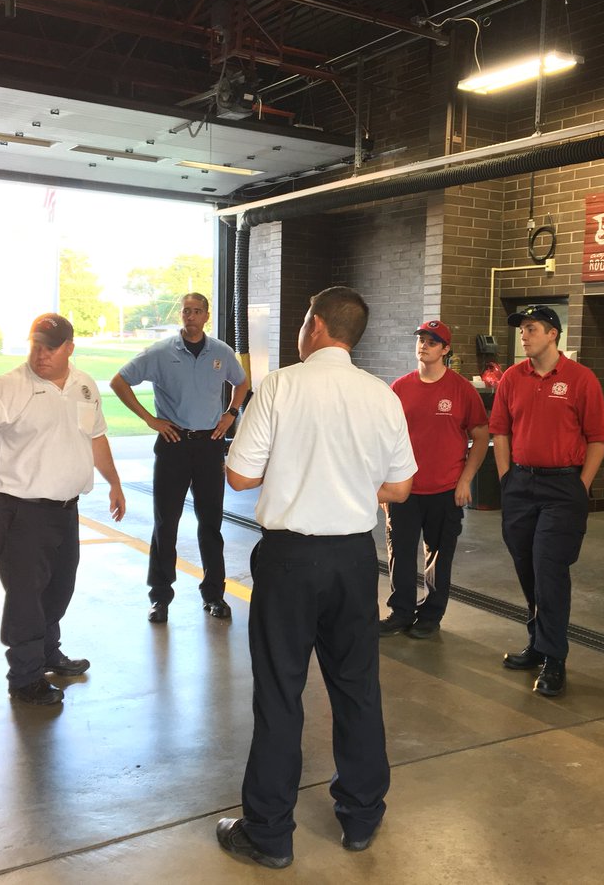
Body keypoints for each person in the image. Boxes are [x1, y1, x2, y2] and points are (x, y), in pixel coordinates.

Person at [216, 286, 416, 869]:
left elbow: (238, 477)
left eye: (304, 319)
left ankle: (270, 834)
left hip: (289, 560)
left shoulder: (280, 385)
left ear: (319, 326)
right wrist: (347, 484)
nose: (301, 329)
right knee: (356, 687)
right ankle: (360, 816)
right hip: (355, 560)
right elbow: (400, 487)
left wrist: (298, 472)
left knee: (280, 693)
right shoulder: (381, 395)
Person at [0, 313, 125, 706]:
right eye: (36, 344)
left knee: (58, 591)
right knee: (26, 598)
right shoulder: (8, 386)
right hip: (22, 513)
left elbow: (96, 437)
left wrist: (115, 483)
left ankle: (47, 654)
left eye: (51, 347)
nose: (41, 354)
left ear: (69, 348)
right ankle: (24, 678)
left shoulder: (84, 386)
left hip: (66, 511)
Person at [490, 305, 604, 698]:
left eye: (531, 329)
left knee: (549, 569)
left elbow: (598, 437)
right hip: (521, 486)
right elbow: (501, 431)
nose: (523, 336)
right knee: (527, 567)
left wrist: (582, 486)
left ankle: (554, 659)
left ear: (552, 334)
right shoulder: (513, 377)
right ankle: (538, 643)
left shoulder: (580, 379)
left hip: (563, 489)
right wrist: (506, 478)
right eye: (522, 330)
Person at [111, 293, 249, 624]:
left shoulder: (221, 352)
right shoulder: (161, 353)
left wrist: (231, 414)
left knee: (211, 524)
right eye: (186, 311)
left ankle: (214, 595)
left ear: (206, 316)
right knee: (166, 524)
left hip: (209, 446)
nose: (190, 316)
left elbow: (242, 384)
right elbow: (119, 381)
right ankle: (160, 598)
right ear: (182, 316)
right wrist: (150, 419)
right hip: (173, 444)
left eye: (196, 311)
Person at [379, 320, 489, 640]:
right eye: (421, 339)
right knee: (399, 551)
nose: (424, 345)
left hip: (445, 490)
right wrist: (385, 489)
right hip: (405, 490)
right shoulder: (399, 388)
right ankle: (400, 612)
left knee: (440, 556)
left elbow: (480, 436)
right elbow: (384, 440)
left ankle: (431, 614)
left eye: (432, 341)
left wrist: (466, 479)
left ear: (445, 349)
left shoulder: (461, 390)